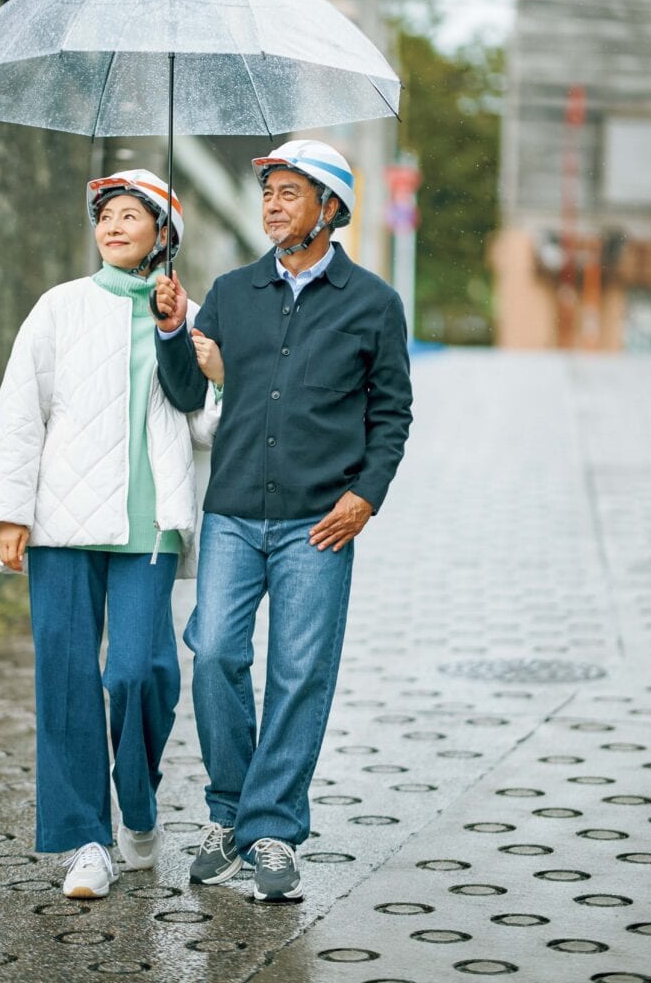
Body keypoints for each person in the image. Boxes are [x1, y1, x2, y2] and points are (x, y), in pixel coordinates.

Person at [154, 140, 413, 903]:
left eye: (289, 193)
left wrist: (367, 493)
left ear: (329, 208)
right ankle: (231, 812)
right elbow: (184, 393)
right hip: (233, 509)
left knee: (299, 675)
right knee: (216, 657)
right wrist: (173, 330)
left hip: (319, 523)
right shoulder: (232, 292)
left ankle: (271, 833)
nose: (271, 205)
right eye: (267, 192)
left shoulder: (372, 304)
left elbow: (392, 412)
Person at [0, 170, 220, 899]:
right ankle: (87, 839)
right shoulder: (59, 308)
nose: (113, 227)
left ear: (163, 235)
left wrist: (192, 345)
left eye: (130, 217)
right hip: (62, 523)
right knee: (66, 677)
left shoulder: (189, 312)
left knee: (140, 671)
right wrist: (11, 511)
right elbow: (22, 411)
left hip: (149, 527)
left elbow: (206, 422)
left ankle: (138, 808)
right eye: (105, 216)